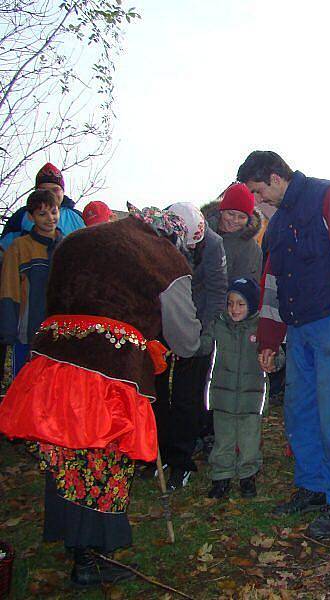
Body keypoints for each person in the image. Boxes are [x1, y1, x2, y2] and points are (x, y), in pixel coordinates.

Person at [0, 205, 200, 587]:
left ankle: (72, 541)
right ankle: (89, 557)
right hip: (107, 373)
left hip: (53, 362)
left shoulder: (78, 239)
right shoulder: (165, 259)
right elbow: (185, 337)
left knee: (63, 451)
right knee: (102, 458)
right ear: (179, 238)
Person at [238, 150, 330, 539]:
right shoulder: (278, 221)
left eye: (259, 191)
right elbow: (274, 280)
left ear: (277, 178)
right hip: (300, 331)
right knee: (299, 414)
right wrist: (269, 337)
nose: (258, 200)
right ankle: (312, 487)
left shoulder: (329, 197)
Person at [153, 201, 227, 490]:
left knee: (188, 395)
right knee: (158, 392)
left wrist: (205, 331)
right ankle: (158, 452)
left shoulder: (213, 244)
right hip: (162, 319)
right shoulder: (158, 236)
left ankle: (182, 459)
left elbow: (217, 289)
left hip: (196, 321)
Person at [203, 277, 278, 500]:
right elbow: (204, 344)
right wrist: (186, 342)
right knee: (223, 438)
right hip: (222, 394)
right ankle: (221, 477)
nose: (234, 309)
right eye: (230, 303)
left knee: (249, 440)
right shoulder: (218, 324)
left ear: (252, 305)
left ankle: (248, 476)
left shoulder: (262, 329)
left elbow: (276, 355)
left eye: (240, 304)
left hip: (251, 397)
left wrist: (272, 361)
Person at [0, 190, 64, 376]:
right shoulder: (19, 247)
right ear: (31, 216)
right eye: (42, 214)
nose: (50, 218)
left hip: (59, 334)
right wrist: (9, 330)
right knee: (23, 386)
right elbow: (9, 290)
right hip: (27, 333)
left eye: (54, 212)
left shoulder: (66, 246)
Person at [0, 163, 85, 253]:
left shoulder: (78, 218)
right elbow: (3, 250)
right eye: (44, 190)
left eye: (55, 189)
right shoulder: (22, 215)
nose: (50, 194)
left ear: (63, 191)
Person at [202, 183, 265, 282]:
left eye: (242, 217)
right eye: (231, 214)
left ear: (248, 219)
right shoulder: (200, 233)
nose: (235, 220)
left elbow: (247, 284)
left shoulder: (251, 249)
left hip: (223, 296)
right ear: (221, 211)